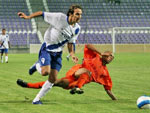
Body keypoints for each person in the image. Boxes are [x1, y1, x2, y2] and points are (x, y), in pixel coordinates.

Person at [18, 4, 82, 104]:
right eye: (77, 14)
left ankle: (36, 99)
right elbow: (41, 13)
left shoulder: (77, 28)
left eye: (80, 14)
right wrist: (27, 17)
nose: (79, 16)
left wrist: (72, 54)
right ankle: (37, 65)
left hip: (58, 53)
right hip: (47, 48)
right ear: (70, 14)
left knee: (52, 79)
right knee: (45, 72)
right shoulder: (59, 18)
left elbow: (70, 42)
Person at [17, 44, 117, 100]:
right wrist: (100, 52)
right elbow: (88, 46)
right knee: (86, 71)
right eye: (109, 55)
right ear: (105, 55)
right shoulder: (94, 57)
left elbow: (108, 89)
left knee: (53, 83)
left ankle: (77, 87)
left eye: (112, 57)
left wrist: (115, 100)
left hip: (72, 83)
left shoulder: (105, 73)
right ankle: (28, 84)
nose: (110, 58)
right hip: (74, 75)